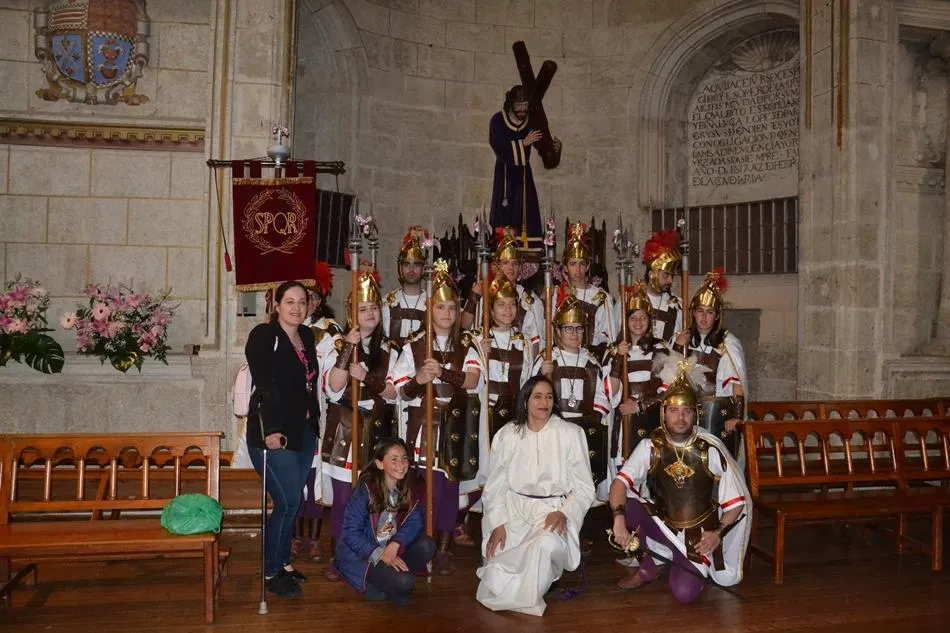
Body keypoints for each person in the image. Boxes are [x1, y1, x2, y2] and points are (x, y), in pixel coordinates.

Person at [608, 361, 751, 602]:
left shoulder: (710, 449)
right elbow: (619, 484)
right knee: (628, 507)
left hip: (697, 535)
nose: (680, 417)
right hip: (664, 523)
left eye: (686, 411)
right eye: (674, 410)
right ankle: (648, 566)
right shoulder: (651, 445)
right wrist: (619, 519)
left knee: (684, 594)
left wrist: (717, 534)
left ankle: (681, 559)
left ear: (696, 414)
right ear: (663, 413)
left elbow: (736, 502)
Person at [388, 258, 482, 575]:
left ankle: (442, 549)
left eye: (452, 308)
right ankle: (419, 547)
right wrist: (419, 380)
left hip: (453, 427)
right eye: (441, 308)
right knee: (425, 491)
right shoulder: (414, 344)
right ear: (430, 310)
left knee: (448, 491)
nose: (447, 314)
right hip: (423, 425)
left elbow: (472, 380)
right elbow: (401, 391)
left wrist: (443, 373)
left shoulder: (465, 344)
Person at [475, 375, 596, 616]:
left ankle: (529, 593)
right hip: (513, 510)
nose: (544, 403)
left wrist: (564, 513)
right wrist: (498, 523)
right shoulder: (508, 435)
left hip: (551, 511)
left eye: (549, 397)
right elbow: (495, 485)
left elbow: (584, 488)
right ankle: (533, 585)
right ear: (525, 400)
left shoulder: (570, 433)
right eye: (538, 397)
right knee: (497, 558)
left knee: (544, 545)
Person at [245, 280, 321, 598]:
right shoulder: (264, 335)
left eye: (302, 301)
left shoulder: (306, 336)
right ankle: (271, 571)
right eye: (289, 301)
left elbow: (308, 385)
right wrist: (272, 430)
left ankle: (282, 562)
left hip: (303, 431)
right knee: (287, 501)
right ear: (276, 305)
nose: (296, 307)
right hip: (272, 433)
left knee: (293, 502)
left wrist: (315, 424)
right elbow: (264, 384)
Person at [322, 263, 399, 575]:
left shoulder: (390, 348)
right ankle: (340, 558)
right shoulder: (337, 344)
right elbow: (333, 387)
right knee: (344, 501)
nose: (369, 314)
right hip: (346, 429)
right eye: (362, 309)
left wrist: (368, 378)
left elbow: (394, 392)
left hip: (377, 429)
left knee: (372, 501)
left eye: (373, 308)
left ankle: (368, 557)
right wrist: (349, 349)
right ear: (352, 313)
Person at [459, 274, 534, 547]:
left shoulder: (523, 342)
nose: (508, 310)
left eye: (512, 304)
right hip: (484, 414)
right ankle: (463, 521)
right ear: (490, 309)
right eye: (501, 305)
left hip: (512, 415)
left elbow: (526, 380)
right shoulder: (477, 338)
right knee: (484, 468)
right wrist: (481, 352)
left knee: (509, 471)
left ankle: (507, 527)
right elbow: (471, 381)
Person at [334, 438, 436, 606]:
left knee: (428, 545)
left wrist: (395, 545)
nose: (401, 465)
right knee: (404, 584)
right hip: (364, 556)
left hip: (390, 547)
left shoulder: (409, 486)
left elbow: (415, 521)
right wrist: (380, 554)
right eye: (394, 459)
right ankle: (386, 580)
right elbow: (350, 534)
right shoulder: (365, 491)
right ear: (380, 464)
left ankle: (390, 578)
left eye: (404, 458)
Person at [533, 291, 611, 498]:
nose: (574, 333)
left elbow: (601, 398)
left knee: (580, 488)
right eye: (568, 328)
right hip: (553, 430)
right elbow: (531, 395)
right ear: (558, 331)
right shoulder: (548, 359)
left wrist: (590, 420)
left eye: (579, 328)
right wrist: (540, 373)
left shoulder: (591, 362)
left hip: (582, 433)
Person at [673, 269, 748, 459]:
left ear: (716, 316)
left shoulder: (728, 344)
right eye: (700, 311)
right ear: (693, 313)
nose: (704, 317)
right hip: (686, 414)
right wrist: (677, 347)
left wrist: (737, 417)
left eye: (709, 312)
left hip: (716, 415)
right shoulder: (683, 340)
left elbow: (737, 385)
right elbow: (671, 379)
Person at [293, 261, 340, 561]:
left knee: (315, 478)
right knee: (293, 478)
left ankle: (312, 538)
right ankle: (294, 535)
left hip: (319, 410)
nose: (307, 303)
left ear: (320, 300)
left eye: (311, 297)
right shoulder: (284, 329)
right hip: (291, 414)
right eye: (302, 297)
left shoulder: (329, 331)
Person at [604, 280, 669, 479]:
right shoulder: (614, 350)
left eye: (642, 318)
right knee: (626, 475)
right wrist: (618, 358)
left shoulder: (660, 349)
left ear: (650, 320)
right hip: (625, 424)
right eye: (633, 318)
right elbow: (610, 392)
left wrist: (640, 406)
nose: (638, 323)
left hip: (651, 420)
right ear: (626, 320)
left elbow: (668, 391)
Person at [489, 85, 560, 250]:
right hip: (505, 175)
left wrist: (555, 149)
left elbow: (544, 148)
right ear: (510, 104)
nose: (522, 110)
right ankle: (505, 248)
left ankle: (528, 250)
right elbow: (499, 147)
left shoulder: (531, 122)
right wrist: (523, 143)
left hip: (523, 176)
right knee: (505, 214)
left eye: (525, 105)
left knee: (526, 212)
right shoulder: (498, 121)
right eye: (518, 106)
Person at [461, 226, 545, 354]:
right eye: (505, 263)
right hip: (487, 356)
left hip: (519, 360)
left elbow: (538, 343)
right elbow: (464, 328)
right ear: (497, 266)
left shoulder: (531, 300)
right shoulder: (483, 294)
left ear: (520, 267)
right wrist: (474, 298)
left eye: (515, 263)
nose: (511, 268)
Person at [559, 222, 616, 357]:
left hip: (591, 358)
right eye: (572, 264)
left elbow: (608, 336)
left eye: (582, 264)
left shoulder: (600, 297)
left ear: (588, 266)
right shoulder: (557, 293)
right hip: (562, 357)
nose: (578, 270)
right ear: (565, 267)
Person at [382, 226, 428, 347]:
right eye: (407, 264)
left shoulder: (432, 302)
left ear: (423, 269)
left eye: (416, 265)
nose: (411, 269)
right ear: (400, 268)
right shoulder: (388, 302)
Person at [641, 230, 684, 345]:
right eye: (666, 275)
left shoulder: (678, 306)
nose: (670, 281)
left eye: (672, 276)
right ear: (651, 274)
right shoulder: (630, 300)